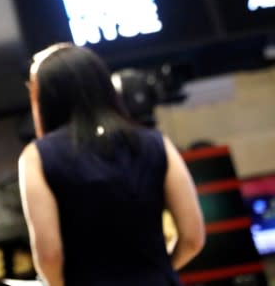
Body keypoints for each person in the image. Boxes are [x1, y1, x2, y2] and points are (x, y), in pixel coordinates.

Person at [17, 43, 205, 286]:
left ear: (44, 99)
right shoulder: (156, 143)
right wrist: (159, 271)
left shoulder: (36, 157)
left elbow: (49, 256)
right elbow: (193, 238)